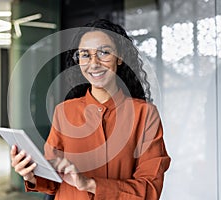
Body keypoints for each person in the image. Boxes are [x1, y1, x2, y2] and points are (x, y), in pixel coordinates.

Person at [10, 19, 171, 200]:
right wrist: (31, 174)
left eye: (104, 52)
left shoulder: (145, 114)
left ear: (120, 58)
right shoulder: (64, 111)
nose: (94, 63)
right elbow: (53, 179)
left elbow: (150, 189)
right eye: (85, 55)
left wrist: (90, 184)